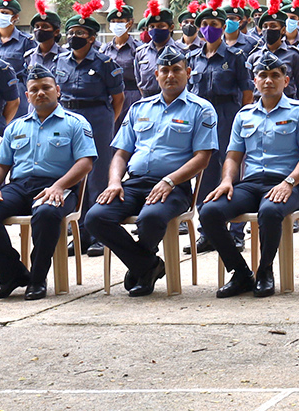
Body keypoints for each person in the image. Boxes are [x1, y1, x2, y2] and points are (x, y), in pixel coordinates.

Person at [83, 52, 218, 297]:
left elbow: (202, 157)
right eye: (164, 71)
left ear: (187, 73)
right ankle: (148, 265)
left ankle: (141, 269)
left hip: (173, 186)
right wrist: (114, 182)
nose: (170, 75)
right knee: (95, 217)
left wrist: (170, 181)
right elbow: (121, 154)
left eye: (177, 70)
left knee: (151, 218)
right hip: (134, 184)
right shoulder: (139, 108)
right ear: (156, 75)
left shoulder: (201, 109)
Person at [0, 64, 98, 299]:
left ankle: (37, 280)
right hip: (19, 186)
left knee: (47, 214)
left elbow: (85, 163)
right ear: (26, 96)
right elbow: (0, 164)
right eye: (35, 89)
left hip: (59, 186)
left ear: (57, 90)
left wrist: (59, 186)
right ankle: (12, 274)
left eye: (46, 88)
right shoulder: (15, 127)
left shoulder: (75, 123)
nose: (41, 93)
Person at [197, 57, 299, 297]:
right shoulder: (244, 115)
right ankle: (242, 273)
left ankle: (265, 271)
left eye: (275, 75)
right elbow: (232, 157)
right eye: (263, 76)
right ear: (255, 81)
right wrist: (226, 182)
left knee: (270, 211)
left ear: (285, 80)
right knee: (209, 211)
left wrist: (289, 183)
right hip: (251, 184)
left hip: (286, 184)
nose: (268, 81)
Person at [54, 0, 125, 256]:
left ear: (92, 38)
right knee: (73, 174)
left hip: (97, 117)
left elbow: (118, 99)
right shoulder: (60, 61)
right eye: (71, 33)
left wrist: (106, 122)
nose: (74, 37)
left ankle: (98, 233)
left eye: (80, 34)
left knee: (97, 177)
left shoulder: (105, 64)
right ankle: (79, 232)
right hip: (68, 119)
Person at [187, 0, 251, 252]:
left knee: (230, 170)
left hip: (228, 115)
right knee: (203, 174)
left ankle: (235, 232)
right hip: (202, 119)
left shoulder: (235, 57)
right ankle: (207, 232)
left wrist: (242, 119)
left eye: (214, 24)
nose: (208, 28)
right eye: (204, 24)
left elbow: (247, 91)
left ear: (223, 27)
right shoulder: (193, 57)